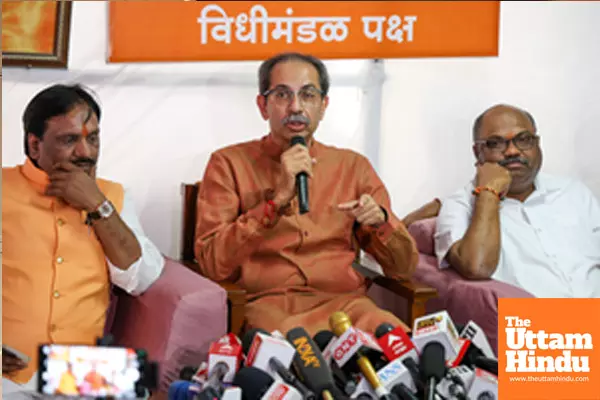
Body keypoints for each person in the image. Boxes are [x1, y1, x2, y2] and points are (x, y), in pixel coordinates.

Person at [194, 52, 418, 336]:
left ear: (324, 106)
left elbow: (404, 269)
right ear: (263, 106)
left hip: (346, 306)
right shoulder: (228, 164)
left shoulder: (353, 167)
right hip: (269, 306)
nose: (296, 107)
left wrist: (381, 222)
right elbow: (213, 263)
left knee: (402, 352)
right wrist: (275, 202)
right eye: (282, 95)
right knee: (299, 364)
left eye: (308, 95)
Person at [2, 84, 165, 393]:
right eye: (69, 140)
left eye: (92, 139)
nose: (86, 153)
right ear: (34, 146)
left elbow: (140, 278)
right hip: (9, 372)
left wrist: (97, 205)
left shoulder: (113, 196)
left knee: (144, 385)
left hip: (80, 372)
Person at [435, 104, 600, 297]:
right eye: (495, 143)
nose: (512, 151)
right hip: (530, 323)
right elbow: (477, 267)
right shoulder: (459, 206)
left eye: (524, 140)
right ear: (477, 152)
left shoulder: (572, 191)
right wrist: (489, 192)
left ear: (537, 144)